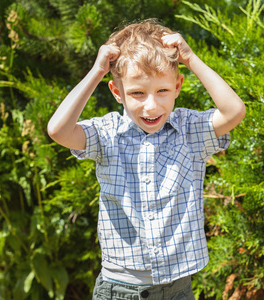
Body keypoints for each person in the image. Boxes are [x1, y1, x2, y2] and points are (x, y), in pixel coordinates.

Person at [47, 19, 245, 299]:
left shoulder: (190, 132)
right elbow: (58, 130)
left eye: (162, 91)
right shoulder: (107, 135)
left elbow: (234, 110)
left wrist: (190, 58)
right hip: (120, 289)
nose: (151, 105)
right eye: (137, 93)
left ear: (178, 87)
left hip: (177, 289)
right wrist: (97, 71)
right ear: (117, 92)